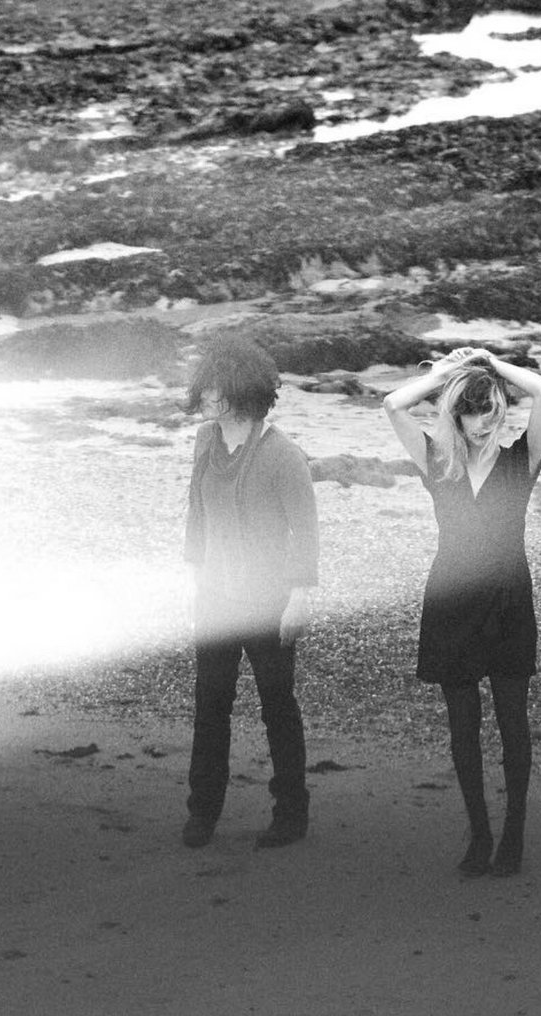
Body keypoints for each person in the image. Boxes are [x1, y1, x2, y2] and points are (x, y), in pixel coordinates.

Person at [383, 347, 541, 877]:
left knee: (512, 723)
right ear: (454, 415)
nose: (481, 423)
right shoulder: (438, 461)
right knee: (463, 729)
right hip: (452, 602)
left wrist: (490, 362)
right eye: (470, 412)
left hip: (508, 601)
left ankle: (513, 834)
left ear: (502, 409)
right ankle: (479, 835)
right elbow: (393, 404)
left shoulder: (521, 461)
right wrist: (443, 374)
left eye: (490, 411)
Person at [181, 335, 319, 850]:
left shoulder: (283, 455)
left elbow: (306, 529)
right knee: (210, 706)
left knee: (277, 707)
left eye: (214, 388)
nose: (205, 396)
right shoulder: (204, 441)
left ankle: (291, 814)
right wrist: (195, 578)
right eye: (204, 387)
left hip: (268, 602)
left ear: (240, 391)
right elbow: (196, 512)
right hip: (215, 600)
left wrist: (300, 597)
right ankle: (203, 813)